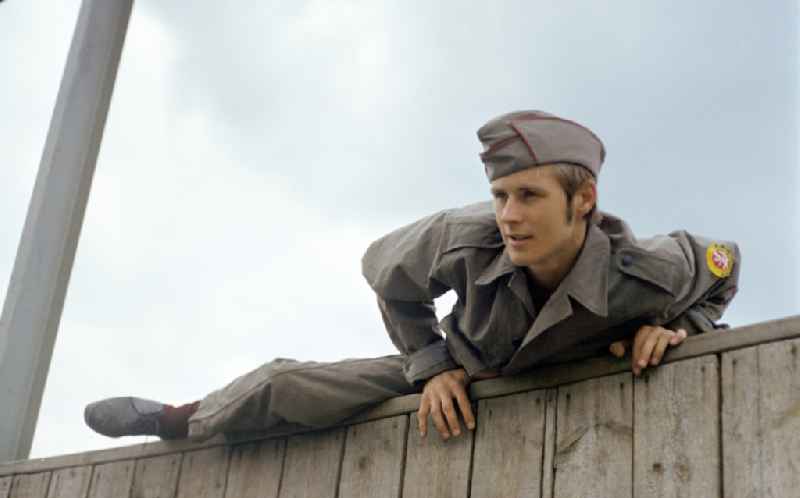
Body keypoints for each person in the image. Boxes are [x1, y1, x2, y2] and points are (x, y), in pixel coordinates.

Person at [85, 110, 740, 442]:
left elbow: (725, 266)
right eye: (501, 195)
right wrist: (431, 365)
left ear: (584, 199)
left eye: (530, 196)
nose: (510, 216)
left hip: (571, 370)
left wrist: (681, 323)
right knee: (285, 385)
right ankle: (174, 420)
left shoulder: (647, 270)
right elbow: (384, 272)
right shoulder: (466, 235)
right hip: (466, 362)